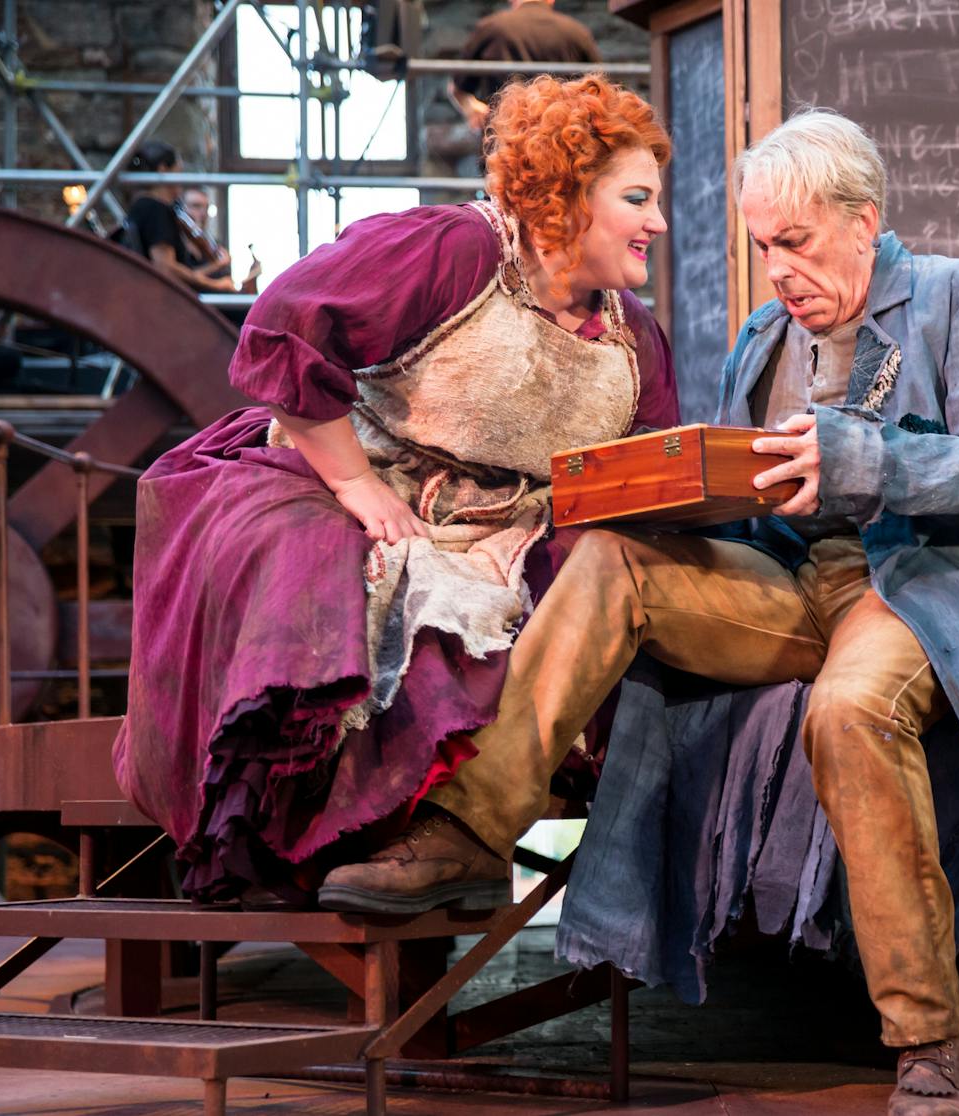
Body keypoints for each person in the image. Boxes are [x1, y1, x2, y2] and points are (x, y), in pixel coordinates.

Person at [329, 110, 959, 1115]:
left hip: (919, 584)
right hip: (793, 587)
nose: (776, 270)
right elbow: (746, 504)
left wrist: (863, 458)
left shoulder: (951, 296)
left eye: (795, 243)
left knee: (848, 711)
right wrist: (675, 496)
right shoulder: (765, 338)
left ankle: (927, 1044)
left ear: (863, 220)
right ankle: (471, 829)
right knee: (613, 561)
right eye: (762, 245)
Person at [112, 75, 676, 907]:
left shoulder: (637, 340)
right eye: (637, 198)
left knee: (594, 580)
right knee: (316, 563)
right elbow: (288, 320)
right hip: (353, 472)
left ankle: (457, 841)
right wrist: (355, 481)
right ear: (566, 194)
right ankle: (324, 843)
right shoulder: (457, 252)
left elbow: (645, 475)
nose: (658, 223)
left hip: (512, 526)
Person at [448, 0, 600, 134]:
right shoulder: (576, 33)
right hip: (563, 142)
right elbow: (599, 89)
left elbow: (457, 89)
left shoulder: (492, 28)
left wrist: (473, 110)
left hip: (507, 143)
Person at [122, 141, 236, 294]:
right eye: (178, 171)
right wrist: (216, 285)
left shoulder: (144, 206)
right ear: (163, 170)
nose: (181, 179)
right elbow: (166, 268)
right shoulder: (154, 209)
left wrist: (215, 269)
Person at [177, 186, 261, 292]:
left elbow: (228, 281)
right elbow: (184, 277)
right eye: (196, 206)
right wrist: (217, 266)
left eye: (206, 207)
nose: (203, 213)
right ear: (182, 209)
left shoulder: (211, 243)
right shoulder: (178, 243)